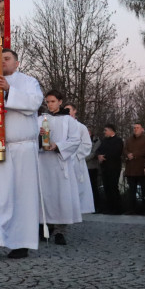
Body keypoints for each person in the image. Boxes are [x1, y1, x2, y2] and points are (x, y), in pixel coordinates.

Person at [0, 48, 44, 259]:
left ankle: (21, 243)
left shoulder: (29, 83)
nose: (3, 62)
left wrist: (8, 90)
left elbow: (33, 103)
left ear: (17, 62)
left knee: (23, 196)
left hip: (24, 148)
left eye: (7, 59)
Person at [37, 93, 83, 245]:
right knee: (45, 195)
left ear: (60, 102)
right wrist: (39, 138)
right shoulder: (40, 119)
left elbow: (76, 141)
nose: (50, 104)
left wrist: (58, 146)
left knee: (60, 196)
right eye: (48, 101)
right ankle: (45, 226)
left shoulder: (68, 120)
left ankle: (60, 230)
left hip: (60, 163)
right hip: (43, 163)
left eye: (53, 101)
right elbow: (31, 138)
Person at [63, 102, 95, 217]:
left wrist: (76, 153)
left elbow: (87, 144)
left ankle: (79, 207)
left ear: (74, 111)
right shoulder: (63, 125)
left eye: (69, 110)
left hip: (76, 160)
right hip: (64, 159)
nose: (67, 112)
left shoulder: (81, 127)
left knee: (78, 185)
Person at [122, 123, 145, 214]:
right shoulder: (128, 139)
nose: (135, 129)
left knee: (144, 191)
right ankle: (131, 209)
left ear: (142, 129)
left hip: (141, 168)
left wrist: (134, 155)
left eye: (137, 128)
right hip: (130, 169)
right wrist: (128, 154)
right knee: (131, 191)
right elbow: (124, 149)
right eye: (134, 128)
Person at [96, 125, 124, 214]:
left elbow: (116, 152)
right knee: (107, 187)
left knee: (113, 187)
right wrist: (99, 156)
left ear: (111, 131)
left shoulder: (118, 140)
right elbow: (98, 150)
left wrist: (104, 156)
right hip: (105, 168)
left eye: (106, 130)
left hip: (114, 167)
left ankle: (117, 209)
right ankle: (109, 208)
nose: (104, 132)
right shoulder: (104, 141)